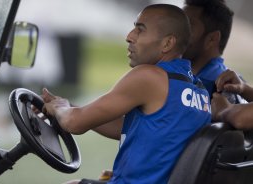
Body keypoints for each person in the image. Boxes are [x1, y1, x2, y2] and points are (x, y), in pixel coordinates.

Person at [42, 4, 211, 184]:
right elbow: (132, 128)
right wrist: (75, 108)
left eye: (140, 30)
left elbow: (73, 123)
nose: (129, 36)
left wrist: (61, 109)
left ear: (167, 43)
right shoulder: (197, 88)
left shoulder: (149, 77)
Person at [182, 0, 235, 98]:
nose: (177, 32)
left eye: (188, 26)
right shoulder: (231, 80)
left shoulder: (214, 87)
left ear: (212, 39)